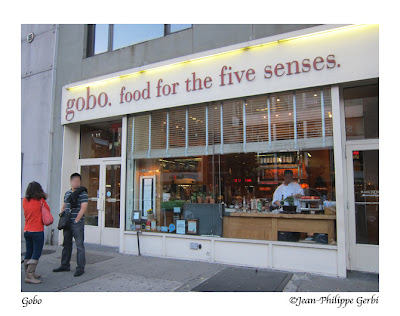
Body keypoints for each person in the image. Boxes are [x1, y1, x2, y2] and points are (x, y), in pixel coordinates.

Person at [53, 173, 88, 277]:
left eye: (78, 181)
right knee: (66, 245)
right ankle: (64, 265)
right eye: (74, 181)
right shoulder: (67, 193)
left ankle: (80, 268)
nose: (76, 183)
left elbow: (83, 207)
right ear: (71, 181)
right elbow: (64, 205)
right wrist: (61, 214)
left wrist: (76, 220)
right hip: (67, 223)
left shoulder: (83, 193)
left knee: (79, 246)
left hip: (77, 223)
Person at [23, 181, 50, 284]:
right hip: (37, 230)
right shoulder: (40, 201)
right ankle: (30, 275)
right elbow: (47, 211)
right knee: (36, 252)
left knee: (29, 251)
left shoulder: (25, 200)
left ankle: (28, 273)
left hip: (27, 230)